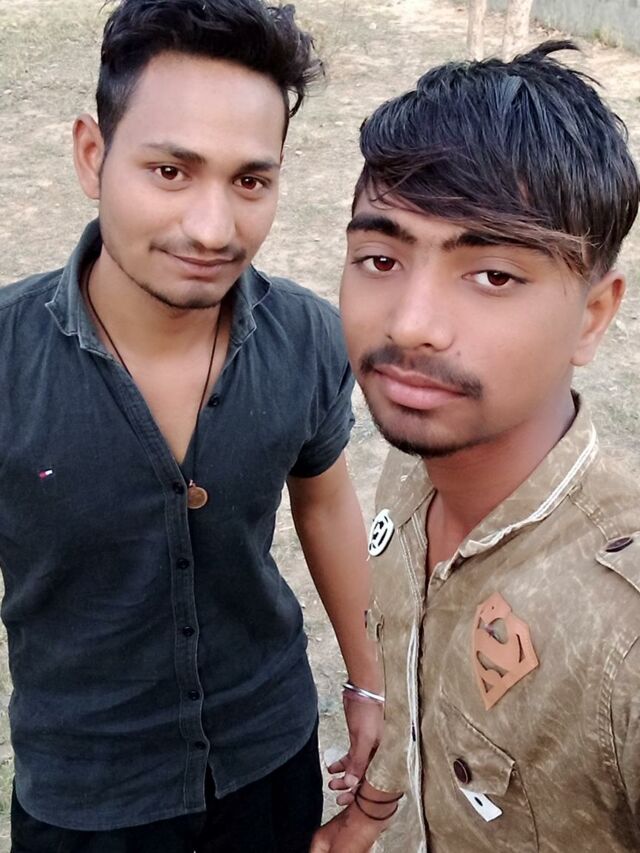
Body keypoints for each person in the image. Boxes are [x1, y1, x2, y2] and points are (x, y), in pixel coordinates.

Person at [0, 1, 383, 850]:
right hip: (86, 795)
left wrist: (369, 682)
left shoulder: (307, 337)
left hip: (270, 757)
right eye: (171, 170)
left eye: (250, 181)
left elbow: (324, 501)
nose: (213, 229)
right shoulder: (7, 358)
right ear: (92, 155)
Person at [313, 40, 640, 853]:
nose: (411, 323)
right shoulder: (412, 473)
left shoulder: (623, 634)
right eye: (380, 258)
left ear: (594, 316)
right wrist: (372, 810)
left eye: (492, 274)